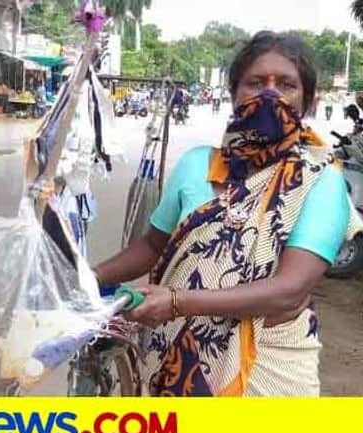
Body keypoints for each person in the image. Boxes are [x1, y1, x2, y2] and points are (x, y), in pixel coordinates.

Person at [94, 31, 356, 396]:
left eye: (286, 84)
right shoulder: (196, 164)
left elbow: (289, 291)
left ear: (307, 102)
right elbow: (153, 246)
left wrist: (176, 302)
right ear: (234, 95)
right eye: (255, 83)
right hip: (173, 356)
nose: (269, 94)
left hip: (269, 367)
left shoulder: (321, 182)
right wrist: (90, 277)